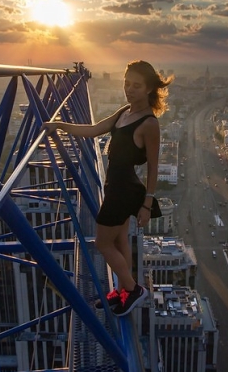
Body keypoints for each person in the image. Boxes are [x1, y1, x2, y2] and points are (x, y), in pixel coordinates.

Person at [43, 60, 172, 316]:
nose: (129, 89)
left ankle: (133, 289)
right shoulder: (125, 112)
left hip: (124, 192)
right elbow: (94, 130)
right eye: (127, 83)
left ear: (148, 89)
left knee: (103, 243)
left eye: (136, 85)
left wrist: (147, 204)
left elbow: (154, 167)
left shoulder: (149, 124)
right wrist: (59, 126)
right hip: (117, 186)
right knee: (119, 239)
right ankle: (124, 290)